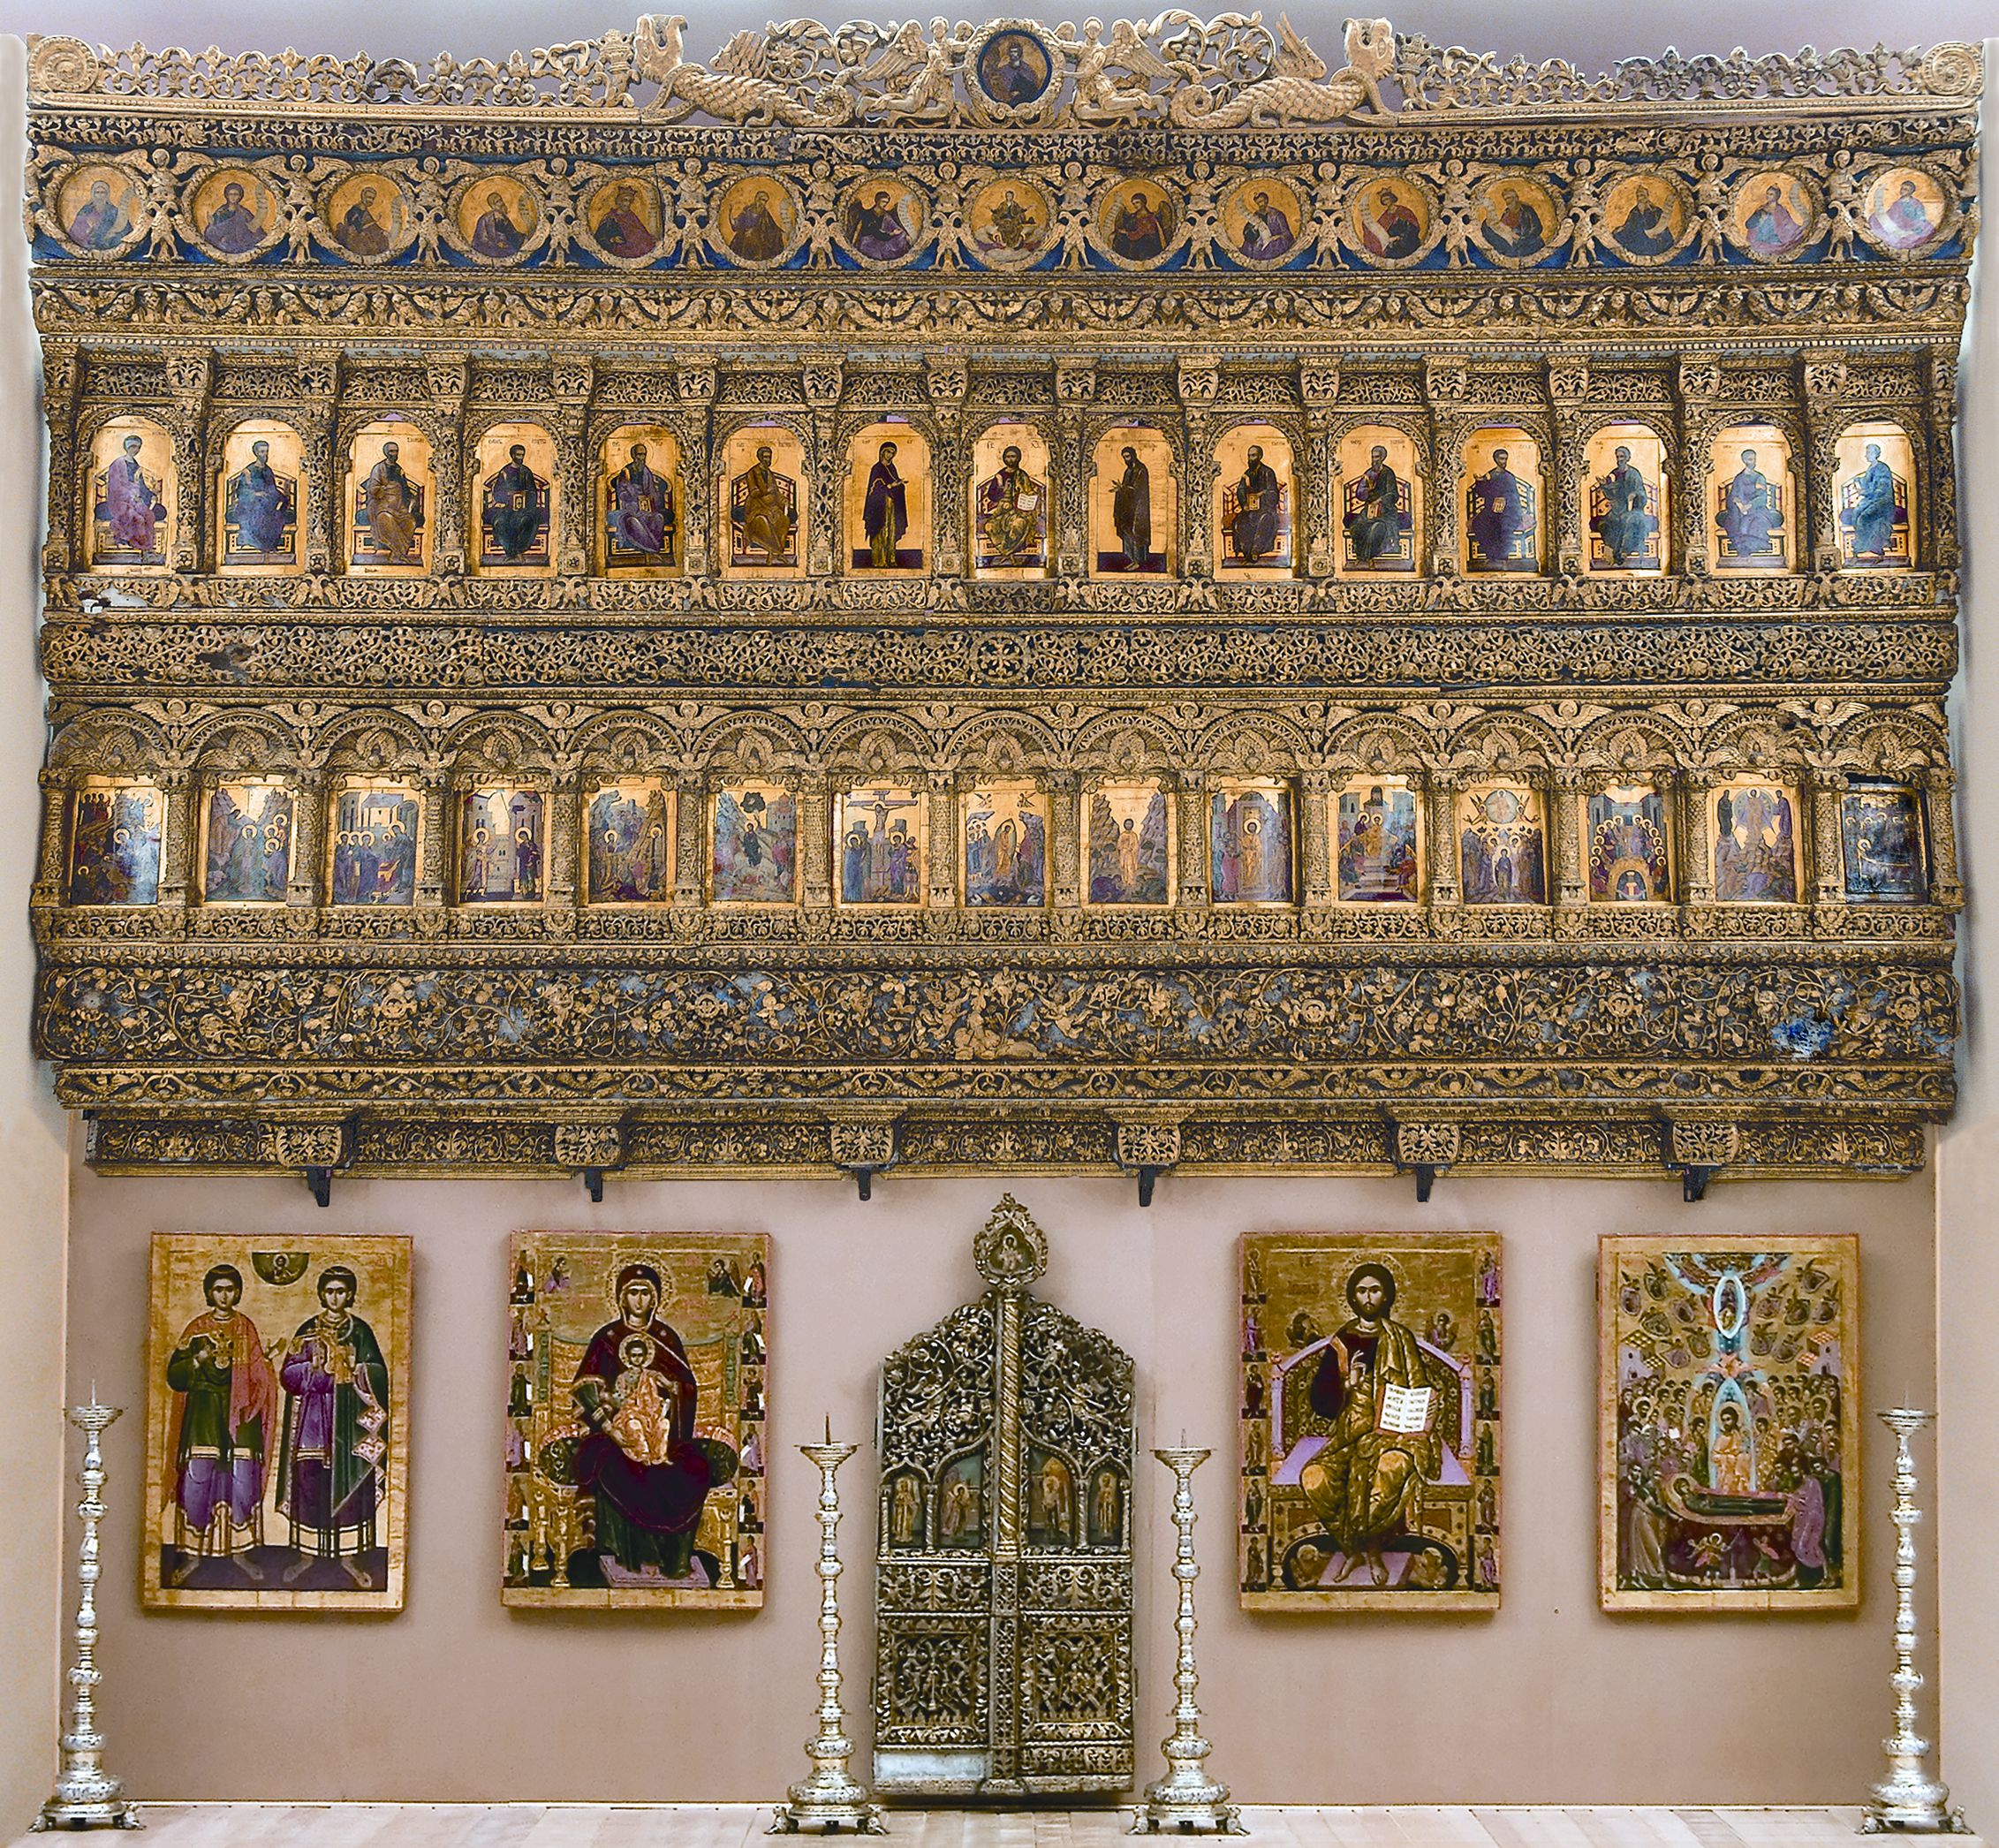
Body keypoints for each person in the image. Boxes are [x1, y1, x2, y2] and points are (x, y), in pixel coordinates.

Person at [1294, 1263, 1459, 1587]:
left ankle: (1368, 1550)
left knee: (1390, 1468)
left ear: (1386, 1295)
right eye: (1361, 1290)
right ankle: (1355, 1548)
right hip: (1350, 1436)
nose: (1368, 1297)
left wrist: (1427, 1409)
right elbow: (1322, 1405)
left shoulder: (1400, 1339)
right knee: (1313, 1478)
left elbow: (1418, 1387)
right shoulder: (1341, 1342)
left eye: (1375, 1290)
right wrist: (1347, 1384)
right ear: (1352, 1297)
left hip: (1396, 1435)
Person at [572, 1263, 723, 1582]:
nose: (639, 1301)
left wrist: (670, 1392)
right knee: (612, 1464)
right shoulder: (608, 1338)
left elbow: (687, 1387)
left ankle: (674, 1561)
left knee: (694, 1467)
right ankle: (627, 1558)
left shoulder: (666, 1339)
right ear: (621, 1299)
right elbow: (585, 1388)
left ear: (655, 1299)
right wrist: (610, 1426)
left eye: (645, 1294)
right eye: (633, 1293)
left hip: (662, 1434)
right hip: (614, 1434)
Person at [277, 1265, 391, 1587]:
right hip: (314, 1421)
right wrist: (316, 1372)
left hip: (350, 1425)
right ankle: (307, 1555)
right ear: (321, 1294)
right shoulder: (307, 1330)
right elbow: (288, 1375)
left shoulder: (361, 1331)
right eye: (329, 1291)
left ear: (351, 1295)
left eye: (341, 1291)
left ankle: (349, 1557)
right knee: (311, 1483)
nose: (335, 1297)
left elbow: (380, 1375)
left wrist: (358, 1369)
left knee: (352, 1486)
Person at [164, 1264, 278, 1585]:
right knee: (198, 1478)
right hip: (203, 1414)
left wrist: (265, 1367)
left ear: (238, 1292)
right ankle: (192, 1554)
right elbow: (175, 1377)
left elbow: (258, 1372)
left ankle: (239, 1551)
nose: (224, 1295)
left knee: (242, 1479)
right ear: (209, 1293)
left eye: (230, 1289)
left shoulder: (246, 1328)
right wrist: (198, 1359)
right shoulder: (197, 1328)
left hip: (240, 1416)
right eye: (218, 1289)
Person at [97, 432, 167, 558]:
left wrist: (151, 495)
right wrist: (130, 495)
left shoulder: (136, 465)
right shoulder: (117, 464)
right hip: (120, 501)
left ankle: (146, 549)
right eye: (133, 447)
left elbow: (142, 486)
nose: (136, 450)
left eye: (138, 447)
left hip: (135, 500)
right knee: (137, 518)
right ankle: (137, 545)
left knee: (149, 515)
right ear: (127, 447)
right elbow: (115, 486)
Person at [225, 437, 294, 560]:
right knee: (259, 513)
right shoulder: (248, 471)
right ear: (256, 453)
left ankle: (271, 544)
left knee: (277, 515)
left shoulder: (268, 470)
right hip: (250, 503)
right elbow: (241, 492)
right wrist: (255, 494)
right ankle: (261, 544)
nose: (265, 454)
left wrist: (277, 497)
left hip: (266, 502)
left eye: (266, 451)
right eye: (262, 452)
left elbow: (272, 487)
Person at [606, 441, 675, 562]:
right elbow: (621, 494)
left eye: (643, 455)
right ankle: (654, 549)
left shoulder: (646, 471)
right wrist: (633, 495)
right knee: (633, 522)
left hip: (646, 508)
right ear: (633, 455)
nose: (641, 458)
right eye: (638, 455)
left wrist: (652, 497)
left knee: (658, 518)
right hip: (630, 508)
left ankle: (650, 549)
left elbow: (652, 491)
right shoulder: (625, 472)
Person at [1467, 446, 1532, 568]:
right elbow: (1482, 493)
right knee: (1480, 524)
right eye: (1501, 459)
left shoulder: (1509, 477)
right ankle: (1491, 556)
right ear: (1495, 459)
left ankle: (1502, 558)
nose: (1504, 462)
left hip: (1510, 511)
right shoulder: (1490, 475)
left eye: (1505, 459)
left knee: (1504, 526)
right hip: (1491, 510)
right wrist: (1480, 482)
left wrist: (1504, 499)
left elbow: (1514, 496)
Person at [979, 444, 1043, 564]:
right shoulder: (1000, 476)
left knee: (1018, 524)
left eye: (1013, 457)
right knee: (990, 526)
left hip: (1020, 510)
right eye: (1008, 457)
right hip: (1002, 510)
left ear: (1018, 458)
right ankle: (1006, 553)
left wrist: (1028, 495)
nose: (1010, 460)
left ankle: (1009, 554)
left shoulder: (1022, 475)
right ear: (1004, 458)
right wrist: (1001, 487)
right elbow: (991, 496)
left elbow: (1029, 492)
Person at [1593, 444, 1654, 567]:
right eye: (1618, 457)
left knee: (1630, 521)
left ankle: (1623, 553)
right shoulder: (1614, 474)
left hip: (1634, 509)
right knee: (1605, 523)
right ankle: (1611, 552)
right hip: (1618, 509)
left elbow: (1641, 493)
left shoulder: (1634, 473)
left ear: (1627, 458)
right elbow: (1610, 496)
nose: (1619, 459)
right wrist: (1605, 486)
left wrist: (1635, 495)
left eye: (1622, 457)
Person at [1716, 447, 1782, 561]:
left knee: (1756, 522)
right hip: (1739, 509)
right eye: (1751, 459)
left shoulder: (1759, 477)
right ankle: (1741, 547)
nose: (1753, 462)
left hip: (1757, 508)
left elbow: (1762, 497)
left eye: (1754, 459)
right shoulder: (1739, 478)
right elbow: (1733, 495)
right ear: (1745, 461)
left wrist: (1749, 505)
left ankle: (1752, 549)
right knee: (1733, 520)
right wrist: (1740, 506)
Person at [360, 441, 420, 564]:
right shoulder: (379, 468)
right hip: (382, 505)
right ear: (386, 452)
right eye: (392, 451)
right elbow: (373, 489)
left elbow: (405, 488)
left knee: (410, 522)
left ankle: (397, 554)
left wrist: (412, 499)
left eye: (396, 451)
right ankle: (399, 553)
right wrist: (388, 489)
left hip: (398, 506)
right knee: (386, 519)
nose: (394, 454)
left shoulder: (398, 469)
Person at [484, 443, 545, 562]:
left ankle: (519, 551)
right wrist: (507, 497)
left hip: (524, 508)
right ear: (512, 455)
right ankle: (510, 552)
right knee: (499, 522)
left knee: (526, 521)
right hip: (507, 507)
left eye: (522, 455)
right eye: (518, 455)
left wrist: (525, 497)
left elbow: (533, 491)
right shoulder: (505, 472)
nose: (520, 458)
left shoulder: (526, 472)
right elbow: (497, 491)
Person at [1840, 441, 1898, 562]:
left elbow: (1882, 488)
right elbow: (1868, 482)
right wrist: (1858, 480)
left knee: (1864, 517)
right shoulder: (1871, 467)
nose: (1866, 455)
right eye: (1867, 452)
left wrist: (1866, 493)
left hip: (1884, 501)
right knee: (1857, 513)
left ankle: (1865, 549)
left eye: (1869, 452)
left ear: (1875, 453)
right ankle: (1861, 550)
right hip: (1871, 499)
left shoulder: (1882, 468)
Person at [1344, 443, 1403, 564]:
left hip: (1386, 512)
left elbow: (1393, 494)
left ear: (1382, 458)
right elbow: (1359, 493)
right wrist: (1367, 492)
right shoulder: (1369, 473)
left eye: (1377, 457)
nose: (1374, 460)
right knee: (1357, 527)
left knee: (1375, 529)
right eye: (1373, 457)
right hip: (1369, 510)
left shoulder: (1388, 473)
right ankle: (1361, 556)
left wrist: (1380, 500)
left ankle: (1367, 558)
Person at [734, 445, 792, 562]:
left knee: (783, 521)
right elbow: (754, 492)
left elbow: (777, 493)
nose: (768, 460)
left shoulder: (770, 474)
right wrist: (765, 491)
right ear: (760, 458)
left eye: (769, 457)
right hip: (756, 508)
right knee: (763, 522)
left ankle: (773, 552)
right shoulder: (752, 473)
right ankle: (778, 552)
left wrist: (784, 501)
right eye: (765, 457)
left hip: (772, 508)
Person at [1230, 444, 1282, 564]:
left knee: (1265, 520)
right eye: (1249, 456)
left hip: (1266, 509)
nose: (1250, 459)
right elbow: (1241, 490)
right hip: (1250, 509)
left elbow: (1273, 493)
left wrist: (1262, 494)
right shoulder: (1247, 473)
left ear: (1260, 456)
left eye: (1253, 455)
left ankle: (1255, 551)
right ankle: (1245, 551)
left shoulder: (1268, 472)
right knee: (1239, 521)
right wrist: (1244, 504)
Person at [861, 440, 908, 568]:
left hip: (891, 505)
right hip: (879, 507)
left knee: (891, 531)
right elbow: (875, 488)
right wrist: (890, 485)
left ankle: (890, 559)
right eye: (888, 452)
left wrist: (899, 485)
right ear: (882, 453)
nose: (890, 455)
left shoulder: (892, 468)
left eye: (893, 453)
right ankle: (879, 560)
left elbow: (894, 484)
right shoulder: (877, 468)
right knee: (881, 532)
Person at [1111, 444, 1151, 570]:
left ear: (1133, 456)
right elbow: (1127, 488)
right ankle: (1132, 559)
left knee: (1136, 532)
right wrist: (1121, 490)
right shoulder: (1128, 471)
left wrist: (1122, 488)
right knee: (1127, 532)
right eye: (1124, 457)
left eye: (1128, 456)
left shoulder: (1141, 470)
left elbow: (1138, 489)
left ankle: (1138, 561)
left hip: (1138, 508)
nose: (1126, 460)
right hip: (1128, 507)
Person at [847, 187, 912, 261]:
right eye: (883, 202)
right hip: (868, 242)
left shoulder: (885, 215)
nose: (885, 204)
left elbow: (893, 225)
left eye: (887, 202)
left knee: (902, 235)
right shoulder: (867, 214)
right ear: (877, 201)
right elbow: (877, 233)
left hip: (881, 240)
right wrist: (892, 234)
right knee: (877, 255)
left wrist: (903, 234)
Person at [593, 185, 656, 259]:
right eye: (625, 200)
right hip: (619, 250)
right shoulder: (610, 218)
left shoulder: (631, 216)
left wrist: (647, 238)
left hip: (636, 249)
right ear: (619, 201)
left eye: (630, 201)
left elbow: (641, 231)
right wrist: (612, 240)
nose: (628, 204)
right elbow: (599, 238)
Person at [1611, 184, 1676, 257]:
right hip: (1638, 238)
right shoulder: (1634, 211)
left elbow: (1663, 227)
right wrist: (1621, 228)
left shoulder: (1656, 211)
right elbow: (1629, 225)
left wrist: (1659, 236)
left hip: (1653, 241)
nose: (1640, 198)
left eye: (1642, 195)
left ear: (1647, 196)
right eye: (1638, 196)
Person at [68, 178, 130, 249]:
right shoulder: (85, 211)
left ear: (107, 195)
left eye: (102, 193)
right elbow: (75, 232)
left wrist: (110, 236)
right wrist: (87, 233)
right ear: (93, 194)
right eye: (97, 192)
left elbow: (126, 231)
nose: (100, 196)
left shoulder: (115, 212)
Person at [1485, 185, 1544, 260]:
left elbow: (1537, 229)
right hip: (1514, 246)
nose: (1507, 201)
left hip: (1531, 246)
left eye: (1509, 198)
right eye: (1505, 199)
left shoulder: (1527, 210)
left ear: (1516, 198)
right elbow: (1502, 229)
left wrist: (1523, 240)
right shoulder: (1506, 213)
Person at [1872, 178, 1935, 247]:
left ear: (1911, 191)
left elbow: (1921, 216)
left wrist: (1917, 226)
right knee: (1875, 219)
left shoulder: (1916, 203)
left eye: (1905, 189)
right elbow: (1891, 215)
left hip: (1913, 225)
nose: (1902, 191)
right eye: (1902, 188)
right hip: (1899, 225)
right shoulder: (1896, 203)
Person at [728, 188, 787, 261]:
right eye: (762, 200)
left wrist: (754, 231)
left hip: (759, 241)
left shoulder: (765, 214)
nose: (763, 203)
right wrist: (730, 214)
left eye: (765, 201)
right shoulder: (747, 211)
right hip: (744, 240)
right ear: (756, 199)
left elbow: (771, 228)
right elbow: (736, 226)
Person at [1744, 182, 1802, 256]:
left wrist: (1798, 231)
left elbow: (1789, 224)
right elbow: (1749, 224)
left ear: (1776, 196)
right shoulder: (1761, 209)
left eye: (1771, 194)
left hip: (1775, 239)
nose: (1768, 196)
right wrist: (1759, 219)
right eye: (1767, 194)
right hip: (1759, 239)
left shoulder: (1781, 210)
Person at [203, 181, 262, 254]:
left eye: (236, 194)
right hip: (223, 246)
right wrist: (211, 224)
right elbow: (211, 235)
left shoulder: (245, 213)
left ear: (240, 196)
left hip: (241, 246)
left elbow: (258, 232)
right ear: (227, 196)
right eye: (230, 194)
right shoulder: (220, 213)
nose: (233, 197)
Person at [1363, 186, 1421, 260]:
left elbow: (1414, 225)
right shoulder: (1385, 215)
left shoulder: (1403, 210)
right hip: (1393, 246)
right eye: (1384, 200)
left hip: (1408, 241)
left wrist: (1401, 237)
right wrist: (1367, 225)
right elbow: (1379, 229)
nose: (1386, 202)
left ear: (1392, 199)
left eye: (1387, 199)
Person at [976, 188, 1040, 255]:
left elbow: (1020, 211)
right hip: (1004, 221)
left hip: (1013, 221)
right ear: (1006, 197)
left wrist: (1027, 208)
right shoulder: (1003, 204)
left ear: (1013, 197)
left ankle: (1016, 244)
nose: (1009, 197)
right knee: (1004, 229)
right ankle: (1003, 243)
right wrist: (991, 210)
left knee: (1015, 229)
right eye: (1008, 196)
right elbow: (998, 211)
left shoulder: (1015, 204)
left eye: (1010, 196)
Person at [1238, 188, 1295, 261]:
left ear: (1266, 200)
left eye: (1261, 201)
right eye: (1258, 203)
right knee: (1248, 245)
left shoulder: (1277, 215)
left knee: (1272, 246)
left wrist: (1276, 237)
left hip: (1274, 241)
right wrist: (1254, 230)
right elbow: (1247, 231)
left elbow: (1287, 234)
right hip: (1259, 241)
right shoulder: (1256, 215)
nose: (1260, 205)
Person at [336, 186, 392, 257]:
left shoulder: (365, 211)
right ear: (363, 196)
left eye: (372, 198)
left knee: (383, 239)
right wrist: (375, 221)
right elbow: (359, 227)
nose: (370, 200)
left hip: (366, 236)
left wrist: (382, 231)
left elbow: (374, 227)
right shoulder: (354, 211)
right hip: (356, 239)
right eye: (368, 197)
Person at [470, 188, 526, 259]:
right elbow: (480, 239)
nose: (502, 203)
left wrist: (523, 238)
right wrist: (496, 244)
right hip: (490, 249)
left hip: (506, 247)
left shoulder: (503, 218)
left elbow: (512, 233)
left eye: (501, 200)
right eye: (498, 201)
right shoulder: (485, 219)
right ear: (493, 205)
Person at [1110, 192, 1168, 261]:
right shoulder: (1133, 216)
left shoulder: (1150, 217)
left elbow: (1141, 233)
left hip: (1147, 245)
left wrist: (1127, 233)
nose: (1135, 205)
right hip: (1135, 242)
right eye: (1133, 203)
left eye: (1137, 202)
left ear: (1143, 202)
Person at [989, 38, 1041, 103]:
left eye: (1015, 52)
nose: (1013, 54)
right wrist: (1008, 95)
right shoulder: (1002, 70)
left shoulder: (1027, 70)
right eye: (1011, 52)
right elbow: (998, 89)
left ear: (1020, 53)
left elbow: (1033, 88)